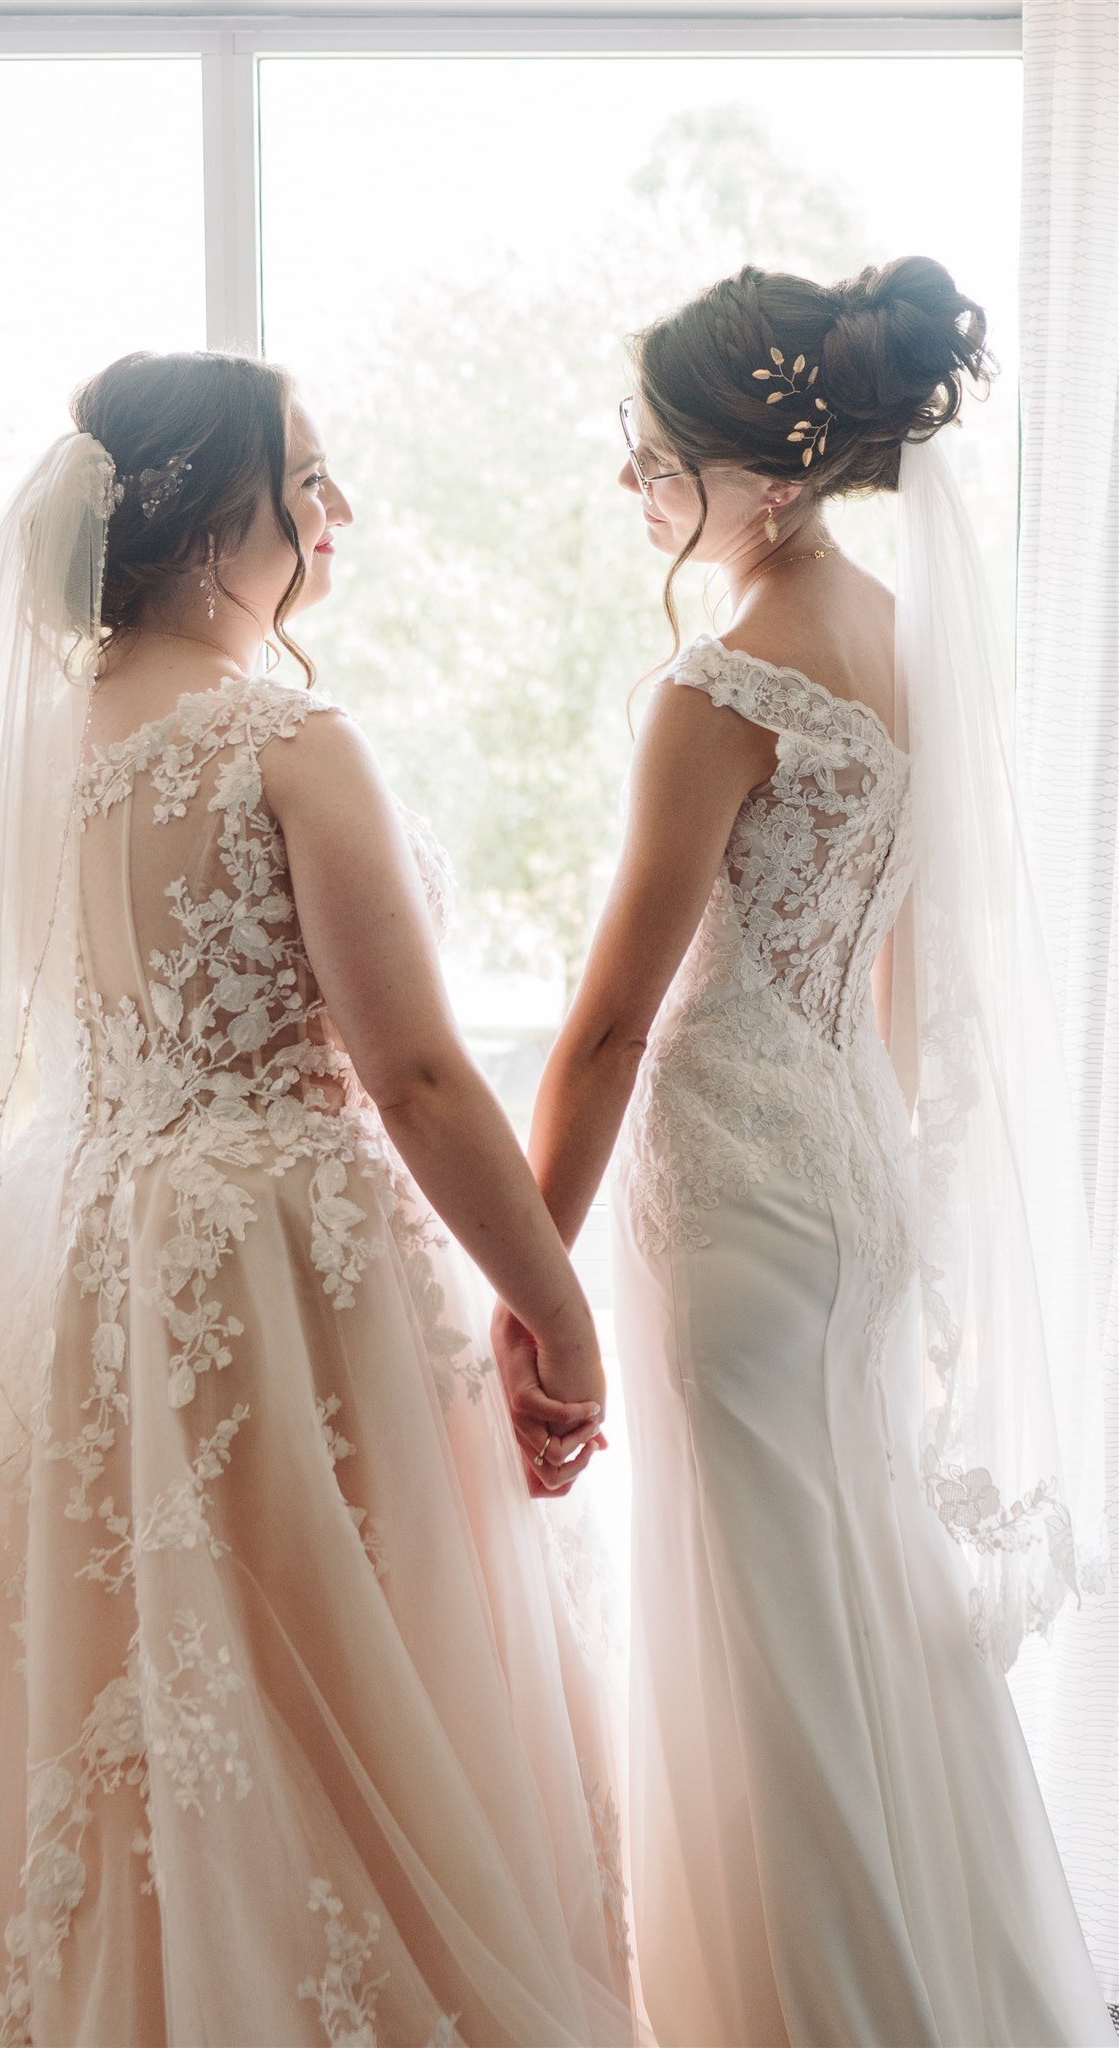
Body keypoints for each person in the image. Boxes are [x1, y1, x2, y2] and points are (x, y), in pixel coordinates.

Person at [0, 351, 641, 2046]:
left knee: (88, 1682)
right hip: (272, 1261)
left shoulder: (33, 749)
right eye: (306, 480)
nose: (338, 513)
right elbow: (419, 1080)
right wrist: (563, 1306)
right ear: (203, 516)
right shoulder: (288, 739)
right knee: (323, 1691)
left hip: (74, 1247)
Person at [495, 260, 1113, 2045]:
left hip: (735, 1204)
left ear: (755, 474)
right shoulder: (912, 646)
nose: (633, 482)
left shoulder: (723, 683)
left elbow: (611, 1024)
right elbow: (915, 986)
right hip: (850, 1176)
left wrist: (536, 1282)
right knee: (866, 1627)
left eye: (651, 450)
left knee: (773, 1673)